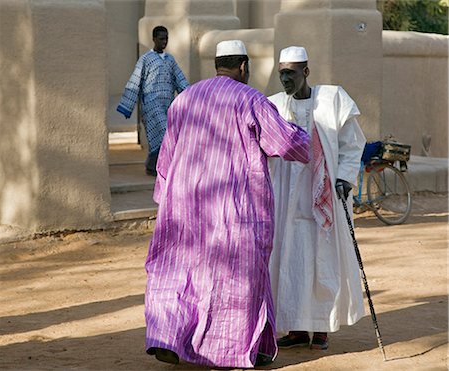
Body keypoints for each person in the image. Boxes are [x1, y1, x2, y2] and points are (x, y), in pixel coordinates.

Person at [144, 40, 310, 369]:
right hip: (235, 211)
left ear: (217, 64)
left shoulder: (184, 99)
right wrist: (311, 138)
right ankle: (233, 349)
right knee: (236, 276)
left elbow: (165, 160)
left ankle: (167, 337)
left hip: (184, 208)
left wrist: (165, 201)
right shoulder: (251, 100)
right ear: (244, 67)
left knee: (178, 273)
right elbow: (286, 142)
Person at [268, 46, 366, 350]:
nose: (285, 78)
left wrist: (344, 177)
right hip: (287, 200)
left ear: (305, 72)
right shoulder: (273, 105)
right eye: (281, 72)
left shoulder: (332, 100)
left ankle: (321, 328)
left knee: (321, 261)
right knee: (290, 260)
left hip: (323, 198)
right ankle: (296, 328)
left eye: (291, 73)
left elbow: (353, 143)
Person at [117, 25, 189, 176]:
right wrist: (127, 106)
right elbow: (134, 81)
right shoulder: (146, 59)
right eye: (161, 39)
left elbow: (180, 79)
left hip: (168, 105)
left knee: (161, 136)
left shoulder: (170, 60)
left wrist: (192, 95)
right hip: (151, 105)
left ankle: (152, 166)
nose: (164, 42)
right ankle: (163, 168)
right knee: (164, 132)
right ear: (154, 39)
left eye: (166, 39)